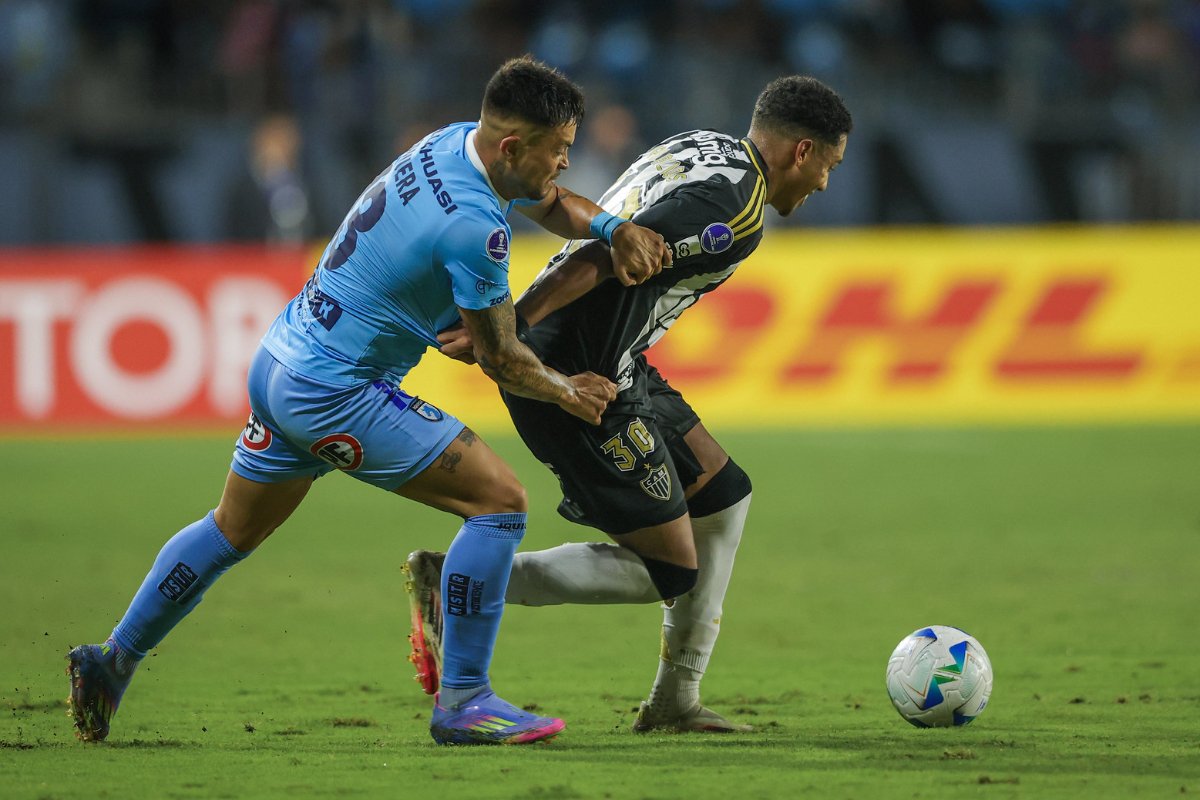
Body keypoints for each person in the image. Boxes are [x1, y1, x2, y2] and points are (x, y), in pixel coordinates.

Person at [64, 55, 671, 746]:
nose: (565, 165)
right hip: (338, 391)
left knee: (231, 529)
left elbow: (554, 204)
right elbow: (498, 356)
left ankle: (111, 662)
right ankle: (465, 700)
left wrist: (612, 228)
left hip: (283, 360)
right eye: (558, 151)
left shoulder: (450, 143)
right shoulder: (477, 227)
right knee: (500, 503)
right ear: (514, 146)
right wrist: (568, 392)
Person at [405, 75, 851, 733]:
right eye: (828, 168)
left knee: (725, 498)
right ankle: (459, 583)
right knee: (668, 568)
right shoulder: (737, 213)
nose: (823, 186)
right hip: (578, 374)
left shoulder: (706, 147)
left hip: (617, 360)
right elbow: (611, 255)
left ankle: (676, 702)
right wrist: (509, 329)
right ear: (803, 151)